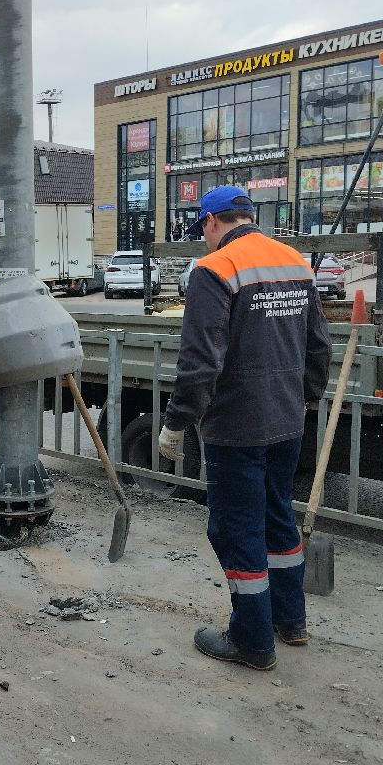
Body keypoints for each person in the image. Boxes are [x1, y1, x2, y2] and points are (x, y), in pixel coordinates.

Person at [158, 186, 331, 671]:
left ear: (212, 221)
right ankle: (289, 621)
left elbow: (200, 361)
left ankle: (252, 640)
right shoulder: (293, 260)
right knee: (279, 517)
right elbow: (319, 346)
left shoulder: (215, 270)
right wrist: (304, 400)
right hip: (286, 421)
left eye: (203, 230)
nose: (204, 239)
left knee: (238, 528)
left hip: (237, 427)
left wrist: (176, 423)